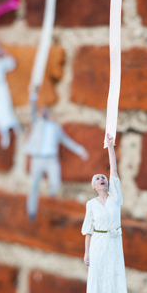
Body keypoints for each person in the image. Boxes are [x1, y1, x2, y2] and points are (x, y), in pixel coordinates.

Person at [81, 133, 129, 293]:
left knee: (112, 281)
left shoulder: (115, 198)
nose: (102, 179)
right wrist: (86, 252)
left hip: (114, 244)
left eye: (104, 178)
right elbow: (88, 230)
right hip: (98, 244)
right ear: (93, 186)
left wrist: (110, 147)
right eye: (98, 178)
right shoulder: (91, 204)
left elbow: (114, 171)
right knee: (97, 280)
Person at [24, 88, 89, 221]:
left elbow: (66, 140)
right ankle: (31, 210)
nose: (43, 112)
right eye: (41, 110)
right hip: (37, 159)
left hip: (51, 159)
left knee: (56, 183)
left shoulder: (55, 127)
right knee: (34, 185)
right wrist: (33, 97)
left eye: (45, 110)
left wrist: (80, 150)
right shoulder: (37, 124)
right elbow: (31, 111)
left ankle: (53, 204)